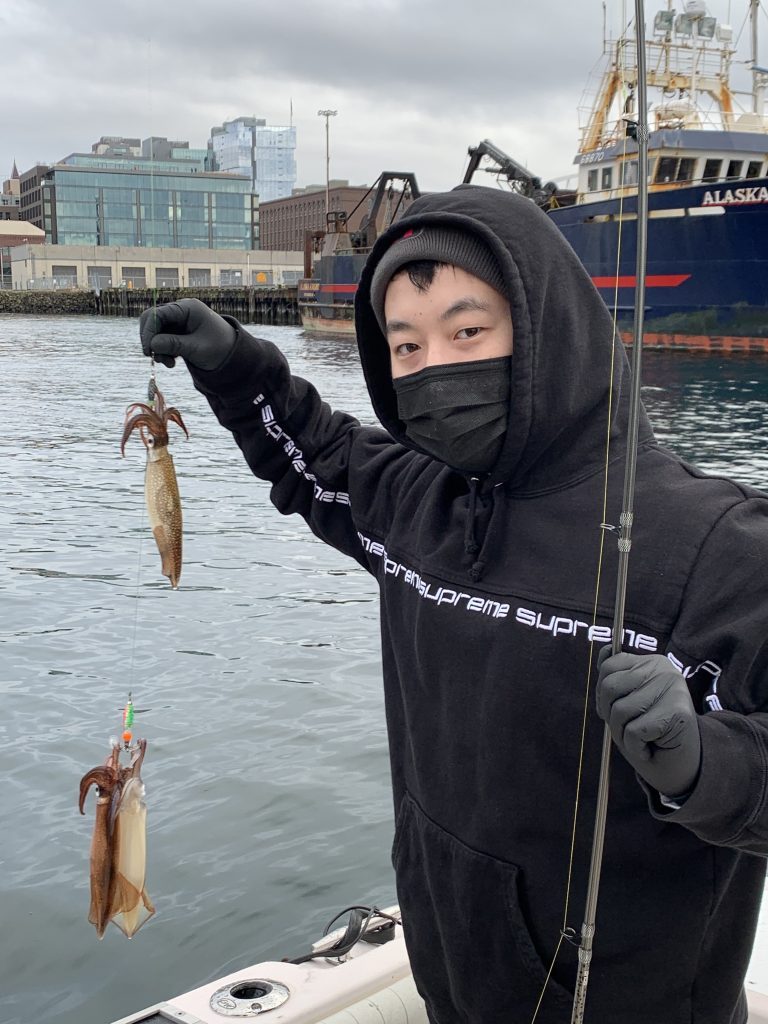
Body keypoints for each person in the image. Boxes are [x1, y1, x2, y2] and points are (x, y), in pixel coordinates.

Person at [140, 184, 768, 1024]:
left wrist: (702, 765)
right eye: (405, 347)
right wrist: (234, 368)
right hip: (453, 983)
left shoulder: (717, 541)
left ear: (544, 327)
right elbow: (312, 453)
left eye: (468, 332)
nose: (435, 367)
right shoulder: (413, 500)